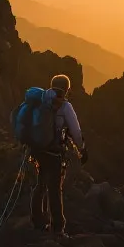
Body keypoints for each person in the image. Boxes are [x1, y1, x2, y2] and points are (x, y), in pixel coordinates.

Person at [30, 74, 87, 237]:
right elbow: (75, 131)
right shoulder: (65, 107)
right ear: (66, 89)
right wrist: (81, 149)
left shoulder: (41, 101)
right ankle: (58, 228)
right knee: (54, 189)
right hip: (54, 153)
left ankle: (37, 221)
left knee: (40, 185)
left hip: (39, 150)